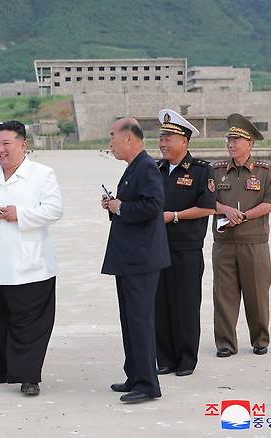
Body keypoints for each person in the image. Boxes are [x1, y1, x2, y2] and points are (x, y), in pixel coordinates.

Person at [0, 120, 63, 396]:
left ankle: (29, 375)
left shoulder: (42, 174)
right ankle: (7, 365)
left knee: (29, 323)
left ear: (23, 145)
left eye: (6, 144)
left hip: (30, 264)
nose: (0, 149)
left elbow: (54, 209)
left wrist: (19, 214)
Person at [101, 118, 170, 404]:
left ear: (128, 138)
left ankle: (148, 384)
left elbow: (154, 205)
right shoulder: (134, 167)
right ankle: (135, 375)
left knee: (140, 321)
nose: (111, 142)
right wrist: (114, 205)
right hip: (129, 258)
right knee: (129, 320)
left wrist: (121, 207)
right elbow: (134, 205)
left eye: (113, 136)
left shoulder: (147, 167)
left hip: (141, 259)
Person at [155, 109, 216, 377]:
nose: (163, 143)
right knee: (160, 305)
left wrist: (175, 216)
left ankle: (186, 360)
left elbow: (208, 208)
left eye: (168, 138)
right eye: (161, 138)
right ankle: (165, 359)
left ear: (184, 142)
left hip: (186, 249)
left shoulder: (202, 170)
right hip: (156, 247)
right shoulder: (156, 169)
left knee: (186, 305)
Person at [212, 114, 271, 358]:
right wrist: (226, 210)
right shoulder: (216, 171)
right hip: (224, 242)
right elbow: (208, 200)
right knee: (224, 295)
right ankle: (225, 344)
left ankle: (260, 340)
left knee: (257, 294)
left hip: (254, 243)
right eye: (229, 139)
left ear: (249, 144)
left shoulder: (264, 171)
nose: (231, 144)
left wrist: (245, 215)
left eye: (237, 140)